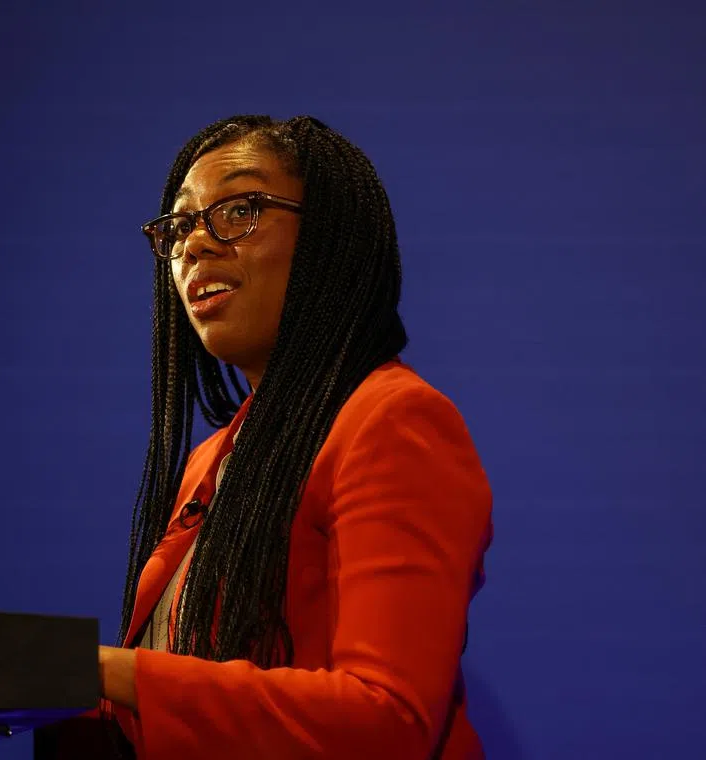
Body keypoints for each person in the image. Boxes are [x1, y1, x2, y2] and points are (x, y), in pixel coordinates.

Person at [92, 115, 493, 759]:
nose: (194, 246)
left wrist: (109, 673)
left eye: (240, 209)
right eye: (178, 226)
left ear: (328, 241)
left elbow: (386, 720)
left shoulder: (394, 420)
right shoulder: (209, 462)